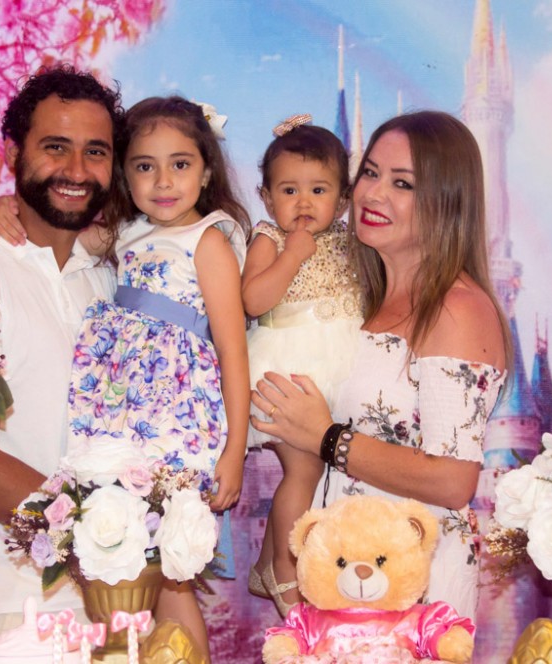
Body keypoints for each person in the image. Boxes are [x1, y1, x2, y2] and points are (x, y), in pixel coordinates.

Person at [0, 95, 251, 660]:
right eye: (145, 166)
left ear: (206, 172)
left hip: (176, 417)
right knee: (127, 557)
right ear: (124, 176)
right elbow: (44, 231)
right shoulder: (121, 234)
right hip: (117, 417)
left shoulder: (208, 240)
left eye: (181, 164)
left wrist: (234, 450)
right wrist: (3, 206)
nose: (163, 181)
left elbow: (232, 349)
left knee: (171, 566)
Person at [250, 110, 510, 620]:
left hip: (411, 586)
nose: (374, 194)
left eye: (402, 183)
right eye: (370, 173)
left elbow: (453, 481)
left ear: (446, 200)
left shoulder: (457, 309)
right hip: (343, 573)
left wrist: (325, 436)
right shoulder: (362, 301)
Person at [0, 65, 124, 664]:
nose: (77, 170)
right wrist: (105, 541)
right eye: (55, 147)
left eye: (95, 152)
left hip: (121, 607)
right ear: (13, 153)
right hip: (13, 611)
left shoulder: (111, 279)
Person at [240, 114, 362, 618]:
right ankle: (284, 572)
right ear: (267, 199)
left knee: (322, 473)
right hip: (287, 369)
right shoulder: (269, 237)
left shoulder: (351, 240)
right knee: (304, 469)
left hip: (340, 366)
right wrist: (290, 256)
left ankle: (266, 564)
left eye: (319, 189)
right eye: (289, 190)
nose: (304, 202)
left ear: (343, 200)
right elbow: (252, 300)